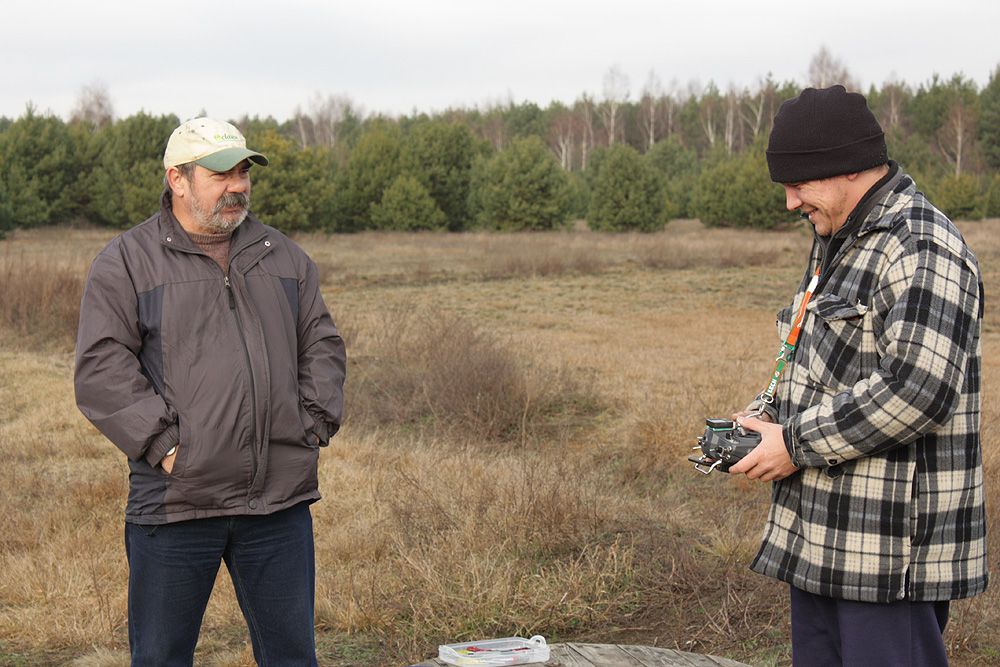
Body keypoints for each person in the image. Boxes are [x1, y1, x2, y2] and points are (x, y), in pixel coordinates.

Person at [729, 86, 987, 665]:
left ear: (844, 168)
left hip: (887, 553)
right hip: (822, 538)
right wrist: (764, 417)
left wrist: (793, 443)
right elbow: (816, 357)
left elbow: (918, 389)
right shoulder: (835, 239)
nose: (791, 203)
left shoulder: (922, 247)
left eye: (799, 185)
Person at [74, 117, 346, 666]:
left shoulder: (284, 257)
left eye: (243, 171)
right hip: (177, 503)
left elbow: (322, 344)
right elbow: (101, 368)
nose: (238, 185)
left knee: (293, 655)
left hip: (277, 500)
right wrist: (169, 449)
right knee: (161, 657)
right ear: (177, 178)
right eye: (221, 172)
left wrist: (310, 424)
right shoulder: (126, 262)